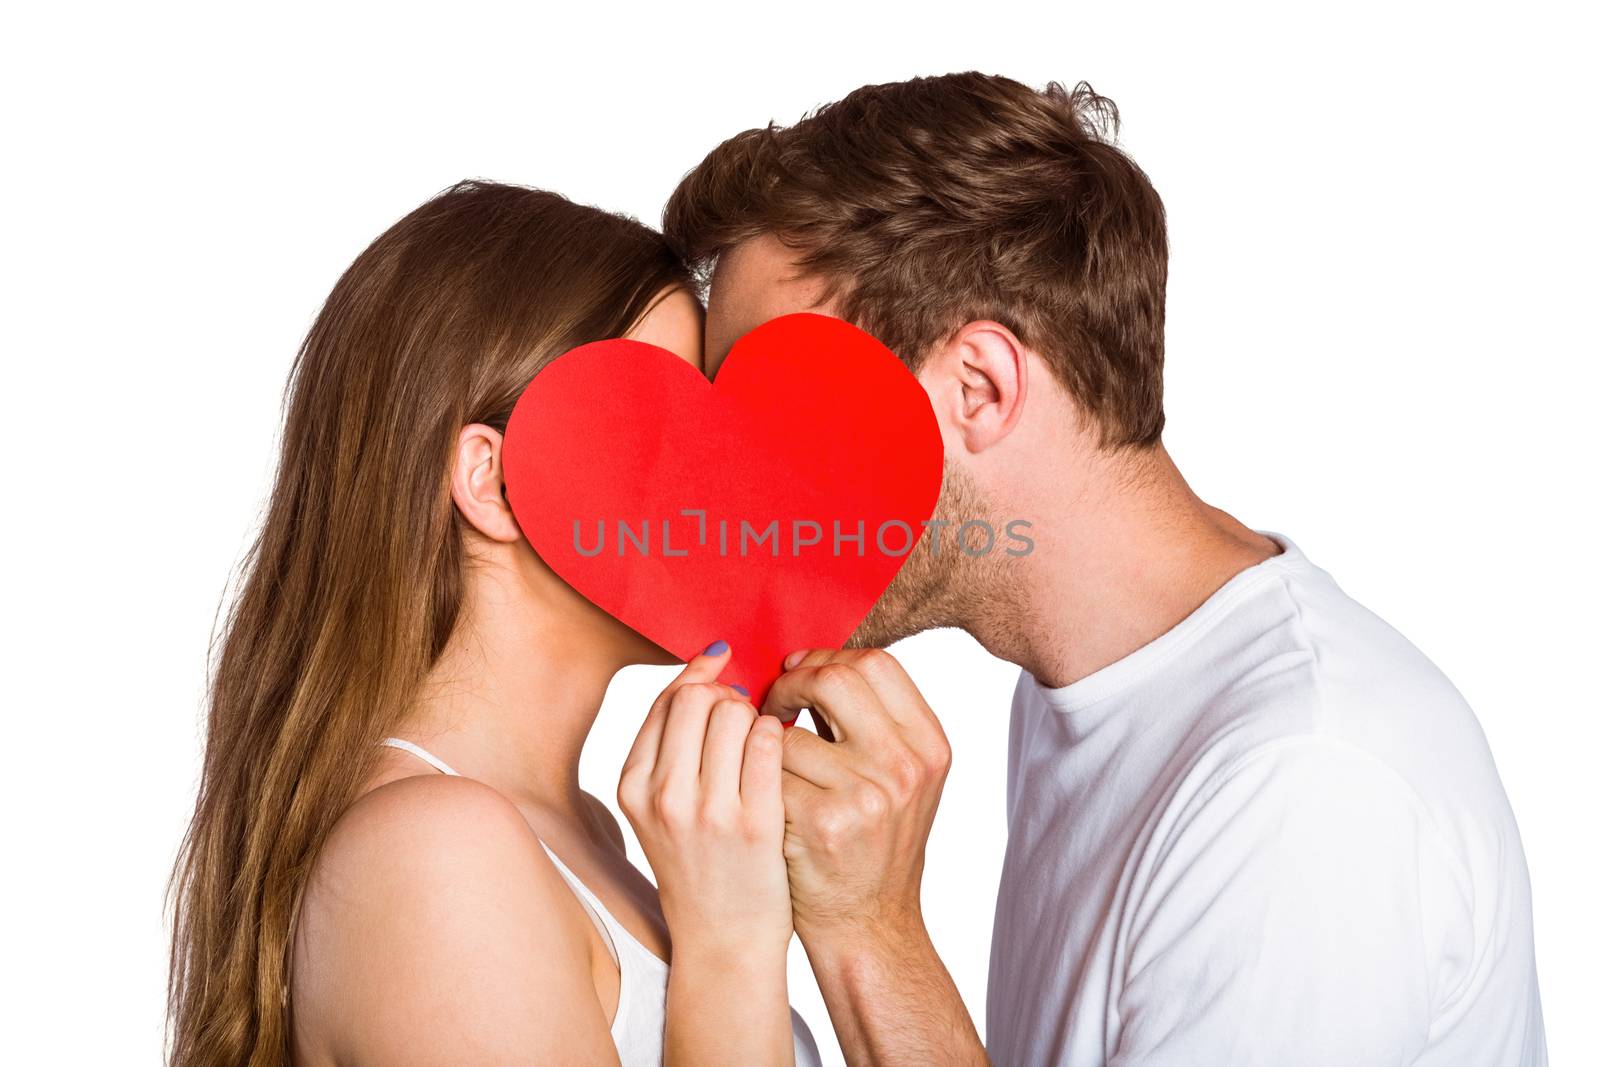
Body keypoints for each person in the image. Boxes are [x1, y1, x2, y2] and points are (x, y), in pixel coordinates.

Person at [666, 73, 1547, 1066]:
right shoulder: (1094, 683)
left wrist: (873, 934)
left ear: (981, 388)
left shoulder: (1302, 788)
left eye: (781, 405)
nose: (743, 485)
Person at [167, 180, 822, 1067]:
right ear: (499, 480)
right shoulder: (436, 855)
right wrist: (734, 943)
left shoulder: (587, 835)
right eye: (667, 420)